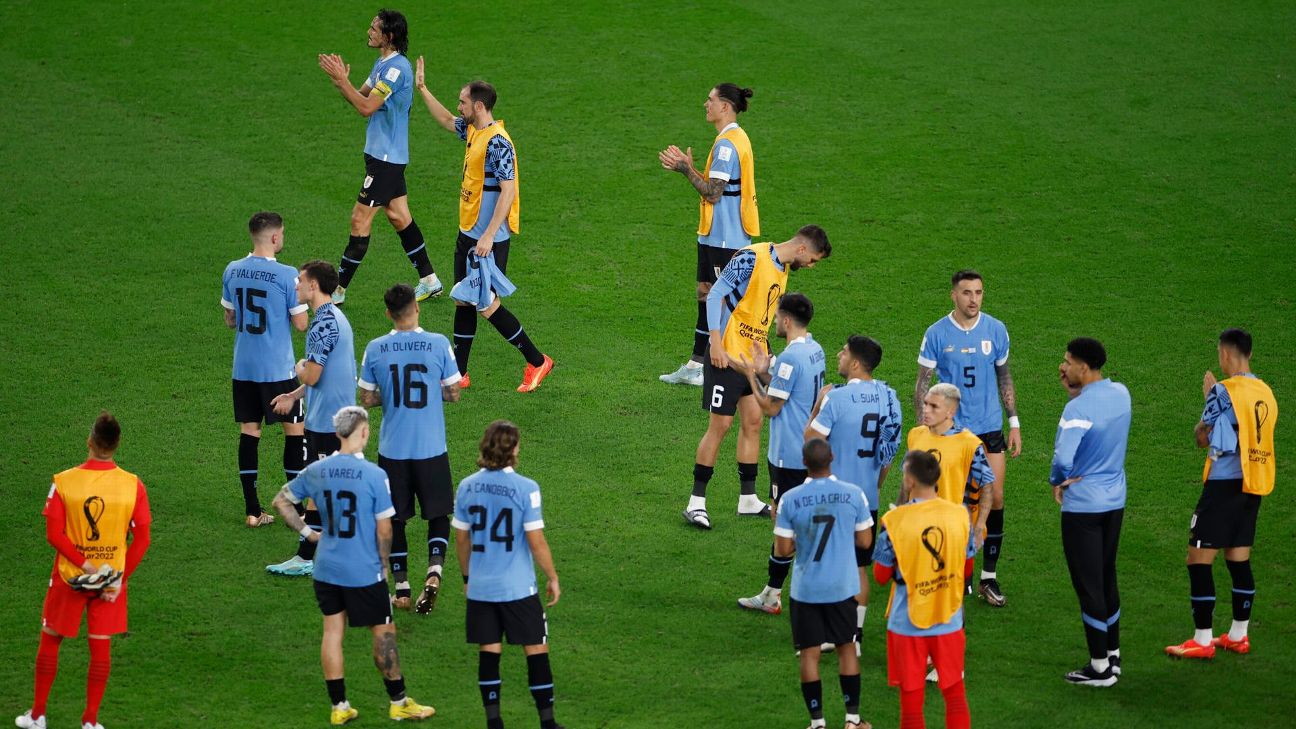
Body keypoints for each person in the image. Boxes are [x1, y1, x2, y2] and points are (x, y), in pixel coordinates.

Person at [271, 406, 435, 725]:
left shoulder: (320, 469)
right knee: (383, 633)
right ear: (364, 433)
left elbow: (281, 501)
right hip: (363, 570)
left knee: (332, 632)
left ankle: (339, 707)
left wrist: (308, 533)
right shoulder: (375, 476)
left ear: (337, 434)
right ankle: (399, 702)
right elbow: (385, 529)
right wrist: (384, 566)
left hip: (326, 568)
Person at [412, 61, 554, 393]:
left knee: (486, 304)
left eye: (463, 102)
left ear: (478, 105)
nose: (459, 107)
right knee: (463, 300)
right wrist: (422, 89)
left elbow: (509, 190)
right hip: (468, 234)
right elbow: (448, 121)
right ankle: (459, 373)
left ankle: (537, 361)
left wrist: (489, 235)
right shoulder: (474, 129)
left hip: (486, 240)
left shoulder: (498, 142)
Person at [683, 226, 832, 529]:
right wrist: (713, 341)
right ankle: (696, 501)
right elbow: (715, 295)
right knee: (720, 425)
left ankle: (747, 498)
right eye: (814, 260)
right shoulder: (752, 258)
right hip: (725, 354)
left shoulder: (783, 269)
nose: (812, 266)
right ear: (803, 249)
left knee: (753, 422)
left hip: (751, 360)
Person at [15, 412, 152, 729]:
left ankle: (37, 715)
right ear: (117, 445)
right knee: (100, 646)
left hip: (69, 576)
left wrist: (87, 565)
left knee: (51, 640)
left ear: (89, 442)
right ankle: (90, 721)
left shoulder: (64, 482)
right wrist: (117, 578)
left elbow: (54, 535)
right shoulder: (132, 485)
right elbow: (142, 539)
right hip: (111, 582)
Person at [1166, 328, 1278, 659]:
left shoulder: (1224, 391)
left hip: (1223, 486)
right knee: (1238, 558)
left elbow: (1203, 438)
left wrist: (1209, 398)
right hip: (1253, 484)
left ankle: (1202, 641)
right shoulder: (1265, 392)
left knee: (1198, 559)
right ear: (1249, 355)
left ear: (1225, 355)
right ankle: (1238, 635)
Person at [318, 9, 442, 305]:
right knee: (399, 216)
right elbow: (359, 96)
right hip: (382, 156)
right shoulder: (382, 63)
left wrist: (344, 84)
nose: (369, 32)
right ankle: (430, 279)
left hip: (386, 159)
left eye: (374, 28)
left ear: (389, 36)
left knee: (359, 220)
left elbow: (366, 108)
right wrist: (341, 81)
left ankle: (337, 291)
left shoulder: (396, 70)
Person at [914, 270, 1019, 607]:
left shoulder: (996, 329)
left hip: (988, 428)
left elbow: (1004, 376)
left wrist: (1013, 422)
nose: (974, 299)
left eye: (979, 292)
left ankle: (988, 576)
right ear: (953, 296)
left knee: (996, 497)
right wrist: (922, 429)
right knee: (951, 502)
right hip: (952, 432)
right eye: (967, 293)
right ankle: (947, 571)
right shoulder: (936, 333)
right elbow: (922, 383)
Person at [358, 283, 462, 612]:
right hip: (431, 447)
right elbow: (454, 393)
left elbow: (367, 399)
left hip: (393, 451)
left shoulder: (375, 349)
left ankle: (402, 589)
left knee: (396, 519)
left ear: (388, 313)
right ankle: (434, 571)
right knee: (439, 513)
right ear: (416, 307)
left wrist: (389, 394)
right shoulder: (438, 343)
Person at [453, 420, 563, 729]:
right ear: (514, 449)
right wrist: (552, 576)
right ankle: (548, 722)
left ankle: (494, 722)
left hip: (481, 588)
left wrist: (467, 578)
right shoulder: (526, 488)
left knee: (489, 652)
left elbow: (461, 540)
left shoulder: (466, 486)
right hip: (518, 589)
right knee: (536, 650)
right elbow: (536, 541)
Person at [800, 335, 902, 650]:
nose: (838, 355)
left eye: (843, 352)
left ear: (855, 363)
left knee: (828, 565)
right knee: (858, 567)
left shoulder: (837, 399)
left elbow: (810, 444)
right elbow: (888, 453)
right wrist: (875, 484)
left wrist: (817, 404)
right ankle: (853, 636)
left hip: (832, 499)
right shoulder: (889, 398)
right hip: (865, 499)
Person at [658, 83, 760, 387]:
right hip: (715, 236)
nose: (706, 104)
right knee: (705, 295)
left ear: (725, 106)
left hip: (725, 240)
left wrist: (684, 170)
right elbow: (722, 189)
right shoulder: (732, 138)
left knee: (722, 301)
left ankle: (736, 368)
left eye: (711, 100)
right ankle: (696, 365)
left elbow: (714, 194)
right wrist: (692, 168)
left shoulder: (728, 145)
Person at [730, 293, 826, 615]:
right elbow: (792, 390)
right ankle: (777, 591)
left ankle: (777, 594)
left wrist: (750, 375)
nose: (772, 323)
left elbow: (771, 406)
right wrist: (765, 370)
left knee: (784, 522)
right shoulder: (816, 350)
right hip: (808, 451)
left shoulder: (790, 359)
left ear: (786, 320)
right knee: (790, 517)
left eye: (776, 318)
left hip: (787, 455)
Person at [773, 439, 873, 729]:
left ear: (805, 463)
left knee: (809, 654)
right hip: (842, 587)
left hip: (806, 589)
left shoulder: (790, 499)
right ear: (833, 457)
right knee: (847, 649)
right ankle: (852, 720)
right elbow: (865, 541)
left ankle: (817, 722)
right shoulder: (853, 494)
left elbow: (782, 550)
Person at [267, 261, 358, 577]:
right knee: (322, 492)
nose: (296, 286)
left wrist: (299, 366)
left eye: (301, 281)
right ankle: (310, 556)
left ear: (314, 286)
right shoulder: (336, 318)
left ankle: (323, 556)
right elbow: (328, 374)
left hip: (327, 423)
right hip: (337, 418)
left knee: (325, 491)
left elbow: (315, 373)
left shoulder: (321, 326)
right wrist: (293, 395)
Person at [874, 450, 975, 729]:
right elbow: (967, 569)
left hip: (907, 622)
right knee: (954, 694)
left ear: (909, 480)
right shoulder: (960, 515)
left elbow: (881, 576)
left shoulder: (894, 522)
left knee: (911, 701)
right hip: (949, 618)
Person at [221, 211, 310, 528]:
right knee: (294, 432)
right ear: (274, 237)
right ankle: (297, 510)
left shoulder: (232, 270)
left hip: (243, 368)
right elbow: (301, 325)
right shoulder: (288, 275)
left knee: (250, 432)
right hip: (278, 371)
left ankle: (252, 511)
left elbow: (230, 319)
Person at [1050, 337, 1130, 687]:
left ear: (1084, 367)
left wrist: (1059, 481)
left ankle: (1099, 668)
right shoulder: (1121, 394)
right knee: (1106, 575)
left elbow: (1063, 460)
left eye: (1068, 362)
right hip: (1115, 501)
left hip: (1083, 506)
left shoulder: (1077, 411)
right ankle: (1112, 654)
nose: (1062, 367)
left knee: (1088, 585)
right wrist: (1074, 389)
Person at [904, 384, 995, 544]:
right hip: (916, 524)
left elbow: (987, 485)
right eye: (925, 404)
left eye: (934, 406)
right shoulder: (915, 435)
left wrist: (980, 525)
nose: (925, 410)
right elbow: (907, 482)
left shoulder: (969, 444)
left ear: (950, 412)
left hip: (952, 529)